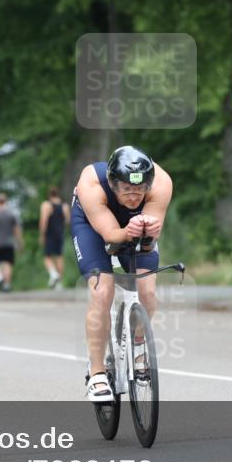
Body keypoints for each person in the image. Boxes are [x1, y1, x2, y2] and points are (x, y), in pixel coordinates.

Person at [70, 146, 172, 401]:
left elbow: (149, 234)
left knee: (147, 292)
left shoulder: (161, 182)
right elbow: (111, 236)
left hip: (134, 224)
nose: (134, 196)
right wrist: (127, 231)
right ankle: (96, 374)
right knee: (102, 291)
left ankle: (138, 348)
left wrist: (148, 228)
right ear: (113, 184)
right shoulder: (92, 183)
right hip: (94, 224)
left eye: (140, 190)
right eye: (127, 189)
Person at [39, 186, 70, 289]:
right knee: (59, 256)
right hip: (59, 233)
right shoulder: (64, 206)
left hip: (50, 234)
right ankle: (59, 283)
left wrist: (42, 235)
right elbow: (67, 221)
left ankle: (53, 274)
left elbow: (44, 221)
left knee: (47, 257)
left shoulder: (47, 205)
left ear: (49, 195)